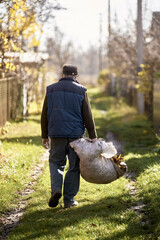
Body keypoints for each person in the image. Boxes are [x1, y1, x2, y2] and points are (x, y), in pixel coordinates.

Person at [41, 64, 97, 208]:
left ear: (63, 74)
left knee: (56, 162)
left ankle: (56, 189)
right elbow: (87, 115)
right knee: (74, 166)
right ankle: (69, 200)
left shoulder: (51, 89)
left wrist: (44, 135)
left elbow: (44, 114)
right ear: (76, 76)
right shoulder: (81, 90)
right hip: (75, 136)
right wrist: (93, 136)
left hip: (56, 133)